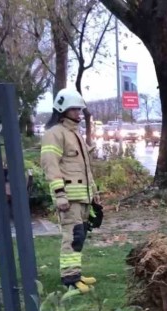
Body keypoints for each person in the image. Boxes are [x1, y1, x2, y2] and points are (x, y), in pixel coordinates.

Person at [39, 88, 99, 297]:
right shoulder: (54, 134)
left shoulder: (74, 134)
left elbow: (85, 168)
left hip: (82, 198)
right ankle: (70, 279)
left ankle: (76, 274)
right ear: (63, 109)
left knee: (79, 236)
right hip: (69, 199)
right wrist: (60, 195)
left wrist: (94, 193)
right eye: (75, 109)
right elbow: (50, 166)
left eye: (80, 109)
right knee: (71, 237)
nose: (79, 113)